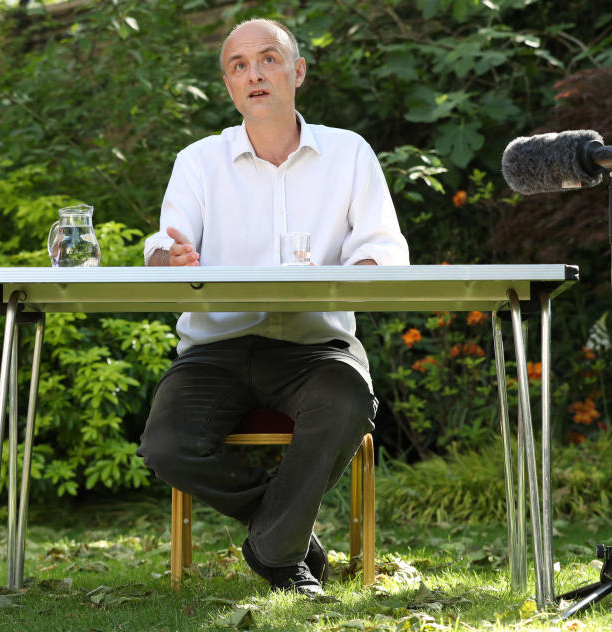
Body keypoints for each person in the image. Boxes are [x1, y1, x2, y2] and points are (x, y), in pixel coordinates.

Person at [137, 18, 409, 596]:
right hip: (216, 349)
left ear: (297, 72)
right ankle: (287, 536)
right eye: (238, 65)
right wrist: (170, 260)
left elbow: (383, 249)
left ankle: (273, 550)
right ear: (230, 87)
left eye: (267, 59)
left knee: (346, 401)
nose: (254, 73)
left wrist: (359, 272)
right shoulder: (198, 161)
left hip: (317, 348)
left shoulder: (349, 154)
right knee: (165, 445)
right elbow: (162, 243)